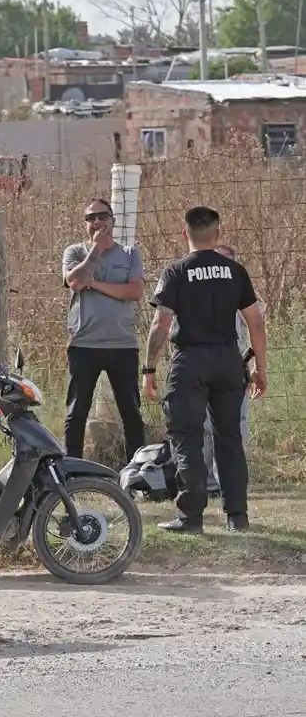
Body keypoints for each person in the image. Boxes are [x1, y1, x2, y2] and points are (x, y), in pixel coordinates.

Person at [143, 206, 267, 533]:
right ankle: (237, 517)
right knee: (229, 438)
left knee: (187, 438)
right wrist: (260, 367)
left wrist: (149, 369)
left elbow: (161, 324)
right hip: (229, 359)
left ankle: (191, 518)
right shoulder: (235, 270)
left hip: (191, 361)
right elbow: (255, 321)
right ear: (218, 234)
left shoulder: (175, 272)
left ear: (185, 233)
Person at [61, 197, 147, 463]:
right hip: (84, 343)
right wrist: (94, 251)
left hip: (122, 345)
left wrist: (95, 284)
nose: (97, 222)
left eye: (102, 216)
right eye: (91, 218)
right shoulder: (74, 252)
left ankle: (138, 472)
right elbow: (74, 281)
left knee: (131, 411)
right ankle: (71, 471)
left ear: (113, 220)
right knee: (77, 411)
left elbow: (134, 291)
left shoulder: (130, 253)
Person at [201, 242, 259, 493]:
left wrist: (257, 366)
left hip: (236, 371)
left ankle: (230, 482)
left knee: (236, 426)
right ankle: (204, 480)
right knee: (203, 427)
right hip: (201, 370)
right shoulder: (196, 294)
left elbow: (257, 327)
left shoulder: (241, 292)